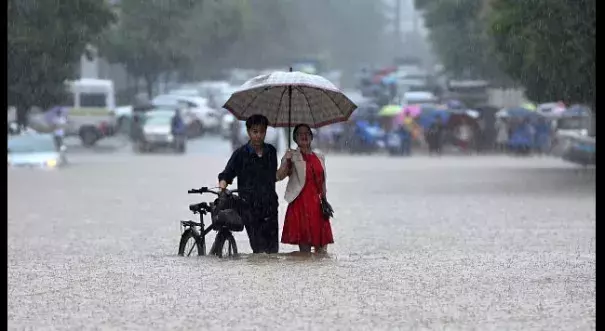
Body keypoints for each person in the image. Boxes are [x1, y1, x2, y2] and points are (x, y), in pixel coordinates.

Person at [218, 114, 279, 254]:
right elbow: (226, 174)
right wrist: (222, 187)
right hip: (249, 208)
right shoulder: (240, 154)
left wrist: (287, 164)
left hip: (270, 207)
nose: (258, 136)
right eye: (255, 131)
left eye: (262, 132)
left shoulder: (271, 152)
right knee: (259, 250)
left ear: (266, 131)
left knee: (273, 252)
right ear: (248, 131)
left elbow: (272, 177)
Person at [276, 124, 333, 254]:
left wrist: (325, 200)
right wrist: (286, 161)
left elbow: (323, 181)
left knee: (322, 251)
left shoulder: (320, 157)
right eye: (300, 134)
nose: (304, 136)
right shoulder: (291, 156)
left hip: (318, 206)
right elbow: (278, 176)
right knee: (305, 253)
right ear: (295, 138)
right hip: (300, 205)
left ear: (312, 137)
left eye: (307, 133)